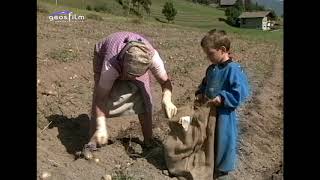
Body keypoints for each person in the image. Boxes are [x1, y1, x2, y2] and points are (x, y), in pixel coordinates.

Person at [86, 31, 178, 151]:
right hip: (104, 53)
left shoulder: (151, 57)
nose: (131, 79)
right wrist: (101, 125)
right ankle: (93, 141)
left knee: (146, 98)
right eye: (130, 75)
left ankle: (148, 140)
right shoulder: (110, 65)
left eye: (135, 76)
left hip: (134, 62)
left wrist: (167, 98)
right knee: (101, 93)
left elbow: (165, 81)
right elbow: (101, 98)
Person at [195, 29, 250, 180]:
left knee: (223, 140)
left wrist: (222, 98)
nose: (208, 57)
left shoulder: (233, 69)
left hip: (225, 114)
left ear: (223, 50)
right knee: (209, 138)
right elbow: (205, 84)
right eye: (206, 54)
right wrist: (200, 92)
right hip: (209, 112)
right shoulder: (212, 69)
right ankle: (209, 163)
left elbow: (241, 92)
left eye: (210, 53)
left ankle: (222, 171)